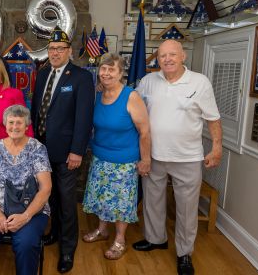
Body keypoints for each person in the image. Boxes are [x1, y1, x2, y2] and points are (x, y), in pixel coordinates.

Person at [132, 40, 222, 275]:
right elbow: (134, 110)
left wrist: (216, 147)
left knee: (186, 208)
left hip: (188, 157)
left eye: (172, 54)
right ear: (157, 59)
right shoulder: (147, 81)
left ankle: (184, 254)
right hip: (152, 155)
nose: (167, 59)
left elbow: (212, 118)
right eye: (162, 56)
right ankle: (156, 239)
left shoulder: (200, 82)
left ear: (183, 56)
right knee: (152, 201)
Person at [30, 26, 95, 273]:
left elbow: (84, 118)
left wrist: (77, 151)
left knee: (68, 203)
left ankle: (68, 250)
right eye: (52, 48)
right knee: (51, 197)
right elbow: (37, 111)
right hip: (42, 150)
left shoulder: (80, 77)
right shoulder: (43, 74)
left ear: (69, 51)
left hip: (68, 152)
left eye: (60, 48)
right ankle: (54, 233)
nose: (55, 52)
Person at [81, 53, 150, 260]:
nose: (106, 73)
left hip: (124, 162)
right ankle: (102, 230)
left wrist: (145, 160)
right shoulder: (98, 95)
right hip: (100, 157)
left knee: (121, 204)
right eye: (103, 68)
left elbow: (145, 131)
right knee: (102, 198)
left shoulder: (131, 96)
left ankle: (120, 239)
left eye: (112, 69)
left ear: (121, 73)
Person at [0, 105, 52, 275]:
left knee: (26, 243)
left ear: (27, 125)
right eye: (11, 122)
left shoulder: (37, 149)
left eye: (19, 123)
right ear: (5, 124)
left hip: (30, 207)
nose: (15, 127)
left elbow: (46, 188)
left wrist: (26, 216)